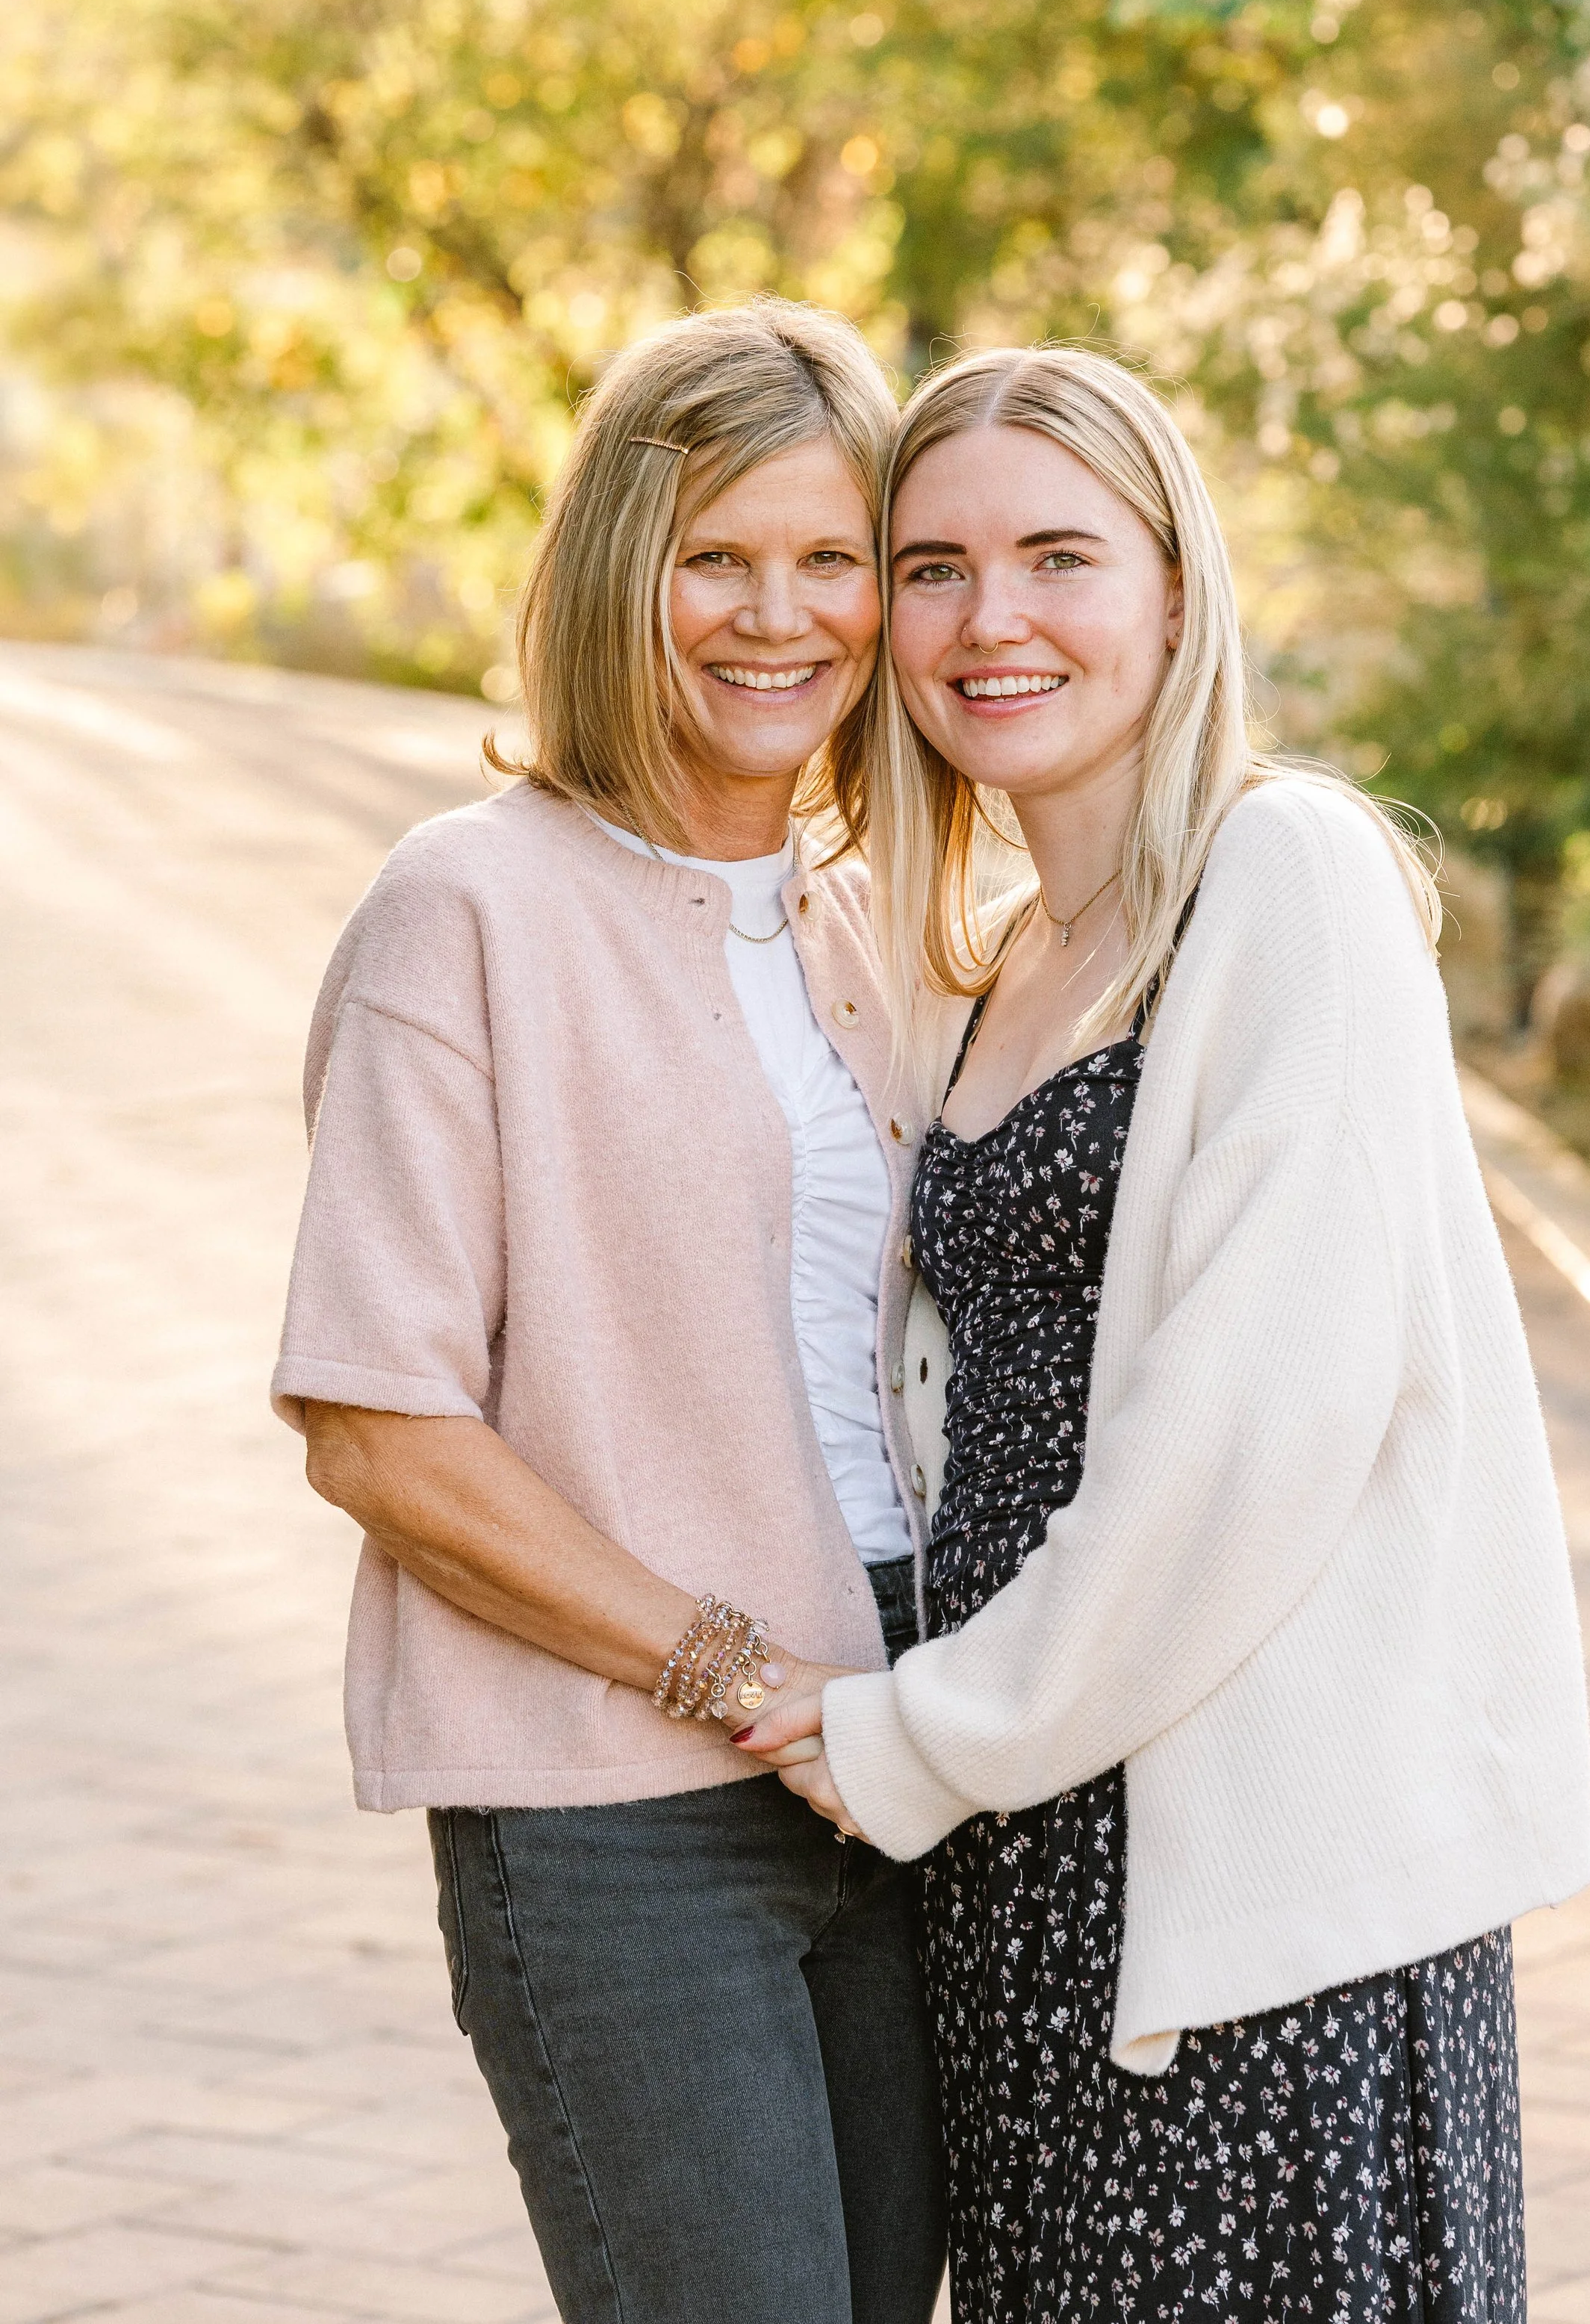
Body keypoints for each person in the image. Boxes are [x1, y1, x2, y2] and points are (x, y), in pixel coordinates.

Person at [739, 345, 1590, 2323]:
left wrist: (910, 1736)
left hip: (1239, 1865)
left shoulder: (1282, 877)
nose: (991, 617)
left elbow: (1255, 1428)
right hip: (1023, 1857)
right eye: (932, 566)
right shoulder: (995, 954)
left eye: (1058, 554)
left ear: (1175, 590)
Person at [270, 299, 946, 2324]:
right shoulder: (464, 907)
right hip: (621, 1812)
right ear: (612, 575)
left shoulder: (861, 912)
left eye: (831, 557)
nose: (779, 616)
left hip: (898, 1760)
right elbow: (379, 1423)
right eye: (713, 558)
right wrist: (744, 1677)